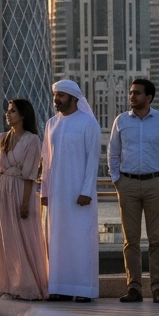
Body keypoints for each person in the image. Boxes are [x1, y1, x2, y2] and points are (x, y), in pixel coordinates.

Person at [108, 78, 159, 304]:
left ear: (149, 97)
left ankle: (158, 288)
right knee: (131, 240)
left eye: (137, 93)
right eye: (131, 92)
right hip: (127, 183)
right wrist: (117, 179)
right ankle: (133, 288)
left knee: (157, 239)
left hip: (154, 183)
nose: (132, 96)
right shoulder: (121, 121)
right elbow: (113, 152)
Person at [0, 98, 47, 300]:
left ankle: (26, 285)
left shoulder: (32, 140)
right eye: (7, 111)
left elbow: (31, 174)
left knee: (24, 237)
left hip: (23, 190)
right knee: (6, 239)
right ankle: (9, 285)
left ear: (22, 115)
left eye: (12, 111)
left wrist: (25, 202)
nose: (8, 114)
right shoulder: (1, 138)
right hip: (4, 191)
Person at [41, 79, 101, 302]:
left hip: (80, 195)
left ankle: (84, 289)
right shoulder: (51, 124)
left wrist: (86, 191)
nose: (57, 99)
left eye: (61, 96)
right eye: (55, 95)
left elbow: (92, 161)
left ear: (74, 98)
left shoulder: (88, 124)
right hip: (57, 194)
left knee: (81, 239)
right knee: (57, 239)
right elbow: (46, 161)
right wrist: (44, 191)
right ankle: (60, 288)